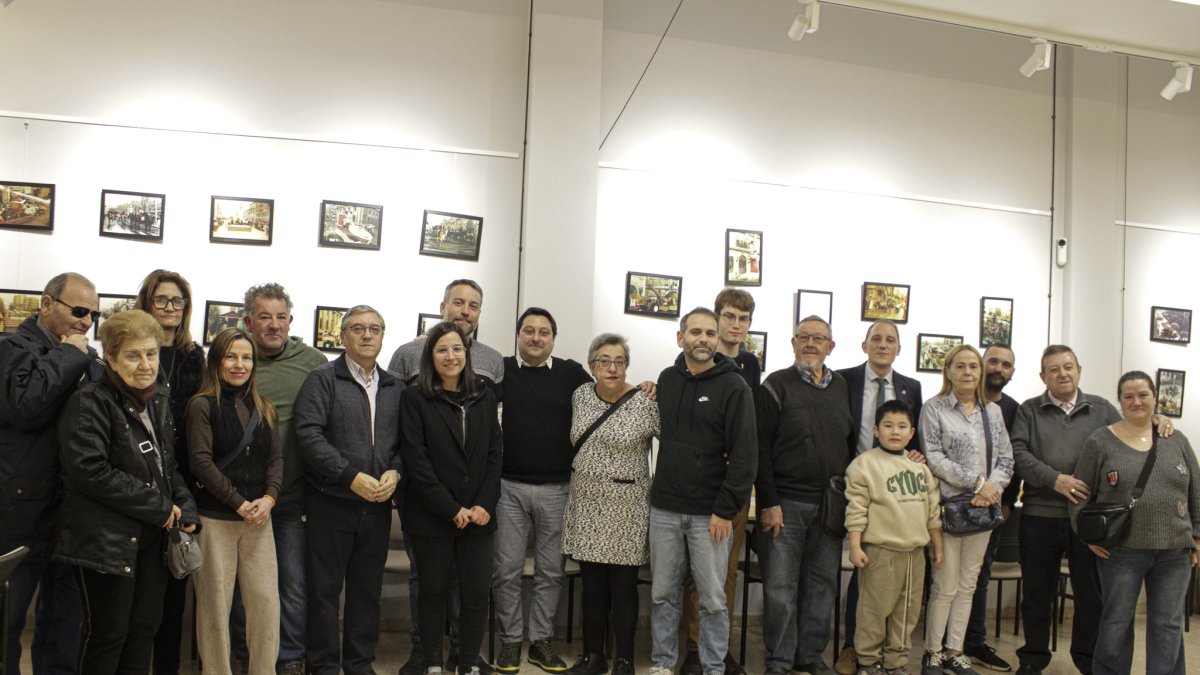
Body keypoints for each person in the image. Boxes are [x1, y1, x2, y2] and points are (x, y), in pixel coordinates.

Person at [54, 309, 199, 675]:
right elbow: (89, 470)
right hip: (107, 542)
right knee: (109, 635)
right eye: (133, 356)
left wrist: (186, 507)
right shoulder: (91, 401)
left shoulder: (159, 400)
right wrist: (159, 506)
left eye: (150, 354)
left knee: (143, 632)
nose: (145, 364)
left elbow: (168, 467)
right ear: (111, 359)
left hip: (153, 540)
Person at [388, 279, 502, 675]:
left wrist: (483, 505)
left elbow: (493, 455)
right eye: (442, 350)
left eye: (456, 349)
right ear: (429, 356)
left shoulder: (485, 394)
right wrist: (451, 508)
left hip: (478, 516)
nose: (451, 356)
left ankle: (467, 662)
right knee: (431, 590)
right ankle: (432, 660)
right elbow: (415, 461)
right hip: (432, 513)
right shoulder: (415, 396)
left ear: (466, 354)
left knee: (473, 594)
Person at [0, 271, 105, 675]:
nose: (86, 322)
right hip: (19, 513)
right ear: (47, 304)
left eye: (93, 315)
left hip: (70, 514)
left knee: (64, 624)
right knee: (8, 623)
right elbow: (25, 405)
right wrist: (73, 354)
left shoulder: (81, 356)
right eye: (78, 311)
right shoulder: (13, 347)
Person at [648, 308, 757, 675]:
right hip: (664, 508)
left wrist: (725, 509)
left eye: (710, 333)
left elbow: (745, 456)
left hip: (709, 514)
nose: (704, 339)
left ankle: (713, 667)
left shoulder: (734, 386)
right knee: (663, 594)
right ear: (681, 338)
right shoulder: (668, 379)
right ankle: (662, 664)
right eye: (696, 332)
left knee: (712, 600)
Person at [295, 305, 403, 675]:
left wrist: (396, 472)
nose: (367, 335)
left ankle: (359, 664)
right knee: (324, 594)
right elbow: (308, 436)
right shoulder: (322, 379)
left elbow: (405, 444)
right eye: (358, 328)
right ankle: (323, 666)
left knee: (366, 593)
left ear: (383, 335)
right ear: (343, 336)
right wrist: (349, 475)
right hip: (331, 504)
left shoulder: (394, 387)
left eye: (375, 328)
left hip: (376, 509)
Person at [1071, 371, 1199, 675]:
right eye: (1128, 396)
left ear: (1155, 397)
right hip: (1121, 552)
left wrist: (1197, 536)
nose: (1136, 401)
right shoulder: (1101, 441)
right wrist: (1085, 532)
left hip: (1174, 552)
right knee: (1116, 622)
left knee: (1167, 625)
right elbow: (1078, 492)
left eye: (1143, 394)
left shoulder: (1176, 439)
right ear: (1120, 401)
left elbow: (1196, 489)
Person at [235, 282, 327, 675]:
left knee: (292, 584)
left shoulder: (312, 361)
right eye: (265, 317)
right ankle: (245, 656)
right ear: (248, 321)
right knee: (244, 588)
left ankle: (290, 659)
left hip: (292, 496)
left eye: (281, 317)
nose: (274, 325)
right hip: (241, 499)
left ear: (290, 320)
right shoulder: (233, 359)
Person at [493, 309, 592, 673]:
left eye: (544, 332)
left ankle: (540, 643)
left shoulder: (570, 373)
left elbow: (606, 391)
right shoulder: (500, 370)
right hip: (507, 488)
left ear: (554, 337)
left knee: (551, 572)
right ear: (518, 334)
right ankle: (509, 641)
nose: (536, 338)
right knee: (506, 570)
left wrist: (643, 388)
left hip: (558, 489)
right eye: (529, 331)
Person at [757, 315, 854, 675]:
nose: (811, 344)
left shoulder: (842, 386)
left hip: (830, 505)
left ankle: (810, 656)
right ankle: (780, 660)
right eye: (804, 337)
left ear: (831, 346)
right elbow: (760, 449)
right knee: (780, 590)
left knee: (821, 586)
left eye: (819, 338)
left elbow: (848, 442)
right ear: (793, 343)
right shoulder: (775, 385)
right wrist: (769, 502)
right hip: (786, 504)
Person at [561, 334, 660, 675]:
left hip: (628, 507)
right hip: (587, 503)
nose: (612, 368)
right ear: (592, 366)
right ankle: (593, 657)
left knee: (623, 588)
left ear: (627, 366)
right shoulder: (580, 396)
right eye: (604, 361)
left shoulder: (646, 401)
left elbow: (675, 443)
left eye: (619, 361)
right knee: (593, 588)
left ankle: (624, 660)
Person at [187, 328, 282, 675]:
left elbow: (276, 459)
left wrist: (270, 498)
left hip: (260, 519)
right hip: (216, 520)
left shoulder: (264, 406)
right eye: (231, 356)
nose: (239, 364)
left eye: (246, 357)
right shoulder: (201, 405)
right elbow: (201, 462)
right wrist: (238, 503)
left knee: (266, 607)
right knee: (214, 608)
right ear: (217, 360)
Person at [834, 320, 923, 675]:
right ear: (864, 345)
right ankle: (853, 648)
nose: (883, 345)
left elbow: (913, 438)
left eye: (890, 340)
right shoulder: (843, 380)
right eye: (876, 339)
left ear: (899, 348)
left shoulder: (911, 387)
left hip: (894, 502)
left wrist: (916, 455)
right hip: (853, 488)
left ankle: (890, 653)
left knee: (889, 582)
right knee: (864, 571)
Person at [919, 345, 1013, 675]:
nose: (968, 372)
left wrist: (992, 490)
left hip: (983, 510)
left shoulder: (993, 412)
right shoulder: (934, 408)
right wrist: (977, 483)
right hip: (949, 509)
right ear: (948, 371)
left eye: (974, 366)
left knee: (969, 584)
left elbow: (1006, 458)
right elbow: (933, 457)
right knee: (944, 584)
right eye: (961, 366)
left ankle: (954, 651)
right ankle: (932, 652)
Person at [680, 289, 759, 675]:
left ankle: (719, 648)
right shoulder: (692, 360)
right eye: (729, 317)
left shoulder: (750, 365)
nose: (735, 326)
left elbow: (748, 430)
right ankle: (694, 649)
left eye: (743, 319)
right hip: (698, 487)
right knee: (698, 573)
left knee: (725, 572)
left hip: (735, 487)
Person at [136, 269, 207, 675]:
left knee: (175, 584)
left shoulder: (194, 358)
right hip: (141, 475)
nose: (169, 308)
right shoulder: (132, 351)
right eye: (161, 299)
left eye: (177, 301)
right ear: (147, 302)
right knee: (137, 594)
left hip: (181, 479)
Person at [845, 400, 944, 675]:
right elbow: (856, 510)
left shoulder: (919, 467)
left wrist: (937, 545)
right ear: (876, 430)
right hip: (880, 551)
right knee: (874, 611)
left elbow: (932, 510)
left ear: (912, 432)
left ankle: (896, 662)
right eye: (888, 426)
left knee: (908, 612)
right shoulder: (863, 465)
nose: (895, 432)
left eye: (902, 427)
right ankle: (868, 661)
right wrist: (855, 546)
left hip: (915, 553)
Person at [961, 344, 1019, 673]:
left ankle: (974, 641)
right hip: (954, 506)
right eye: (993, 361)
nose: (998, 368)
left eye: (1006, 364)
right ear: (981, 364)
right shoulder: (953, 403)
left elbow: (1014, 460)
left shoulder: (1012, 410)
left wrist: (1006, 500)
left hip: (993, 508)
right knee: (946, 578)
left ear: (1012, 372)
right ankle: (942, 643)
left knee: (979, 577)